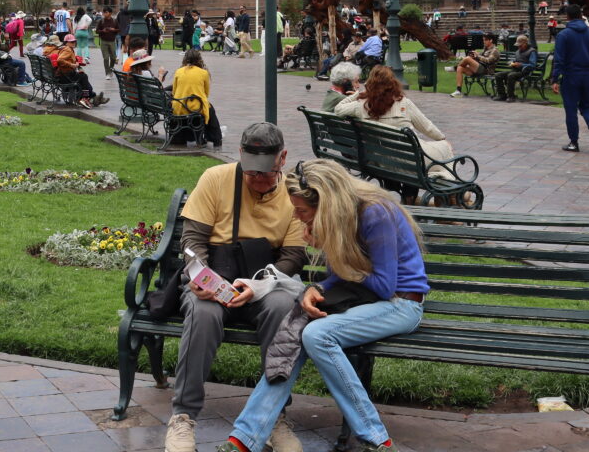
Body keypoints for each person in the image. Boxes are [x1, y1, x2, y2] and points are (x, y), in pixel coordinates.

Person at [214, 158, 426, 452]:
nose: (298, 217)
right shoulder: (341, 217)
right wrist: (317, 288)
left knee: (317, 334)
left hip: (401, 305)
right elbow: (343, 278)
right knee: (295, 329)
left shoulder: (375, 213)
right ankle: (243, 438)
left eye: (302, 211)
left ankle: (378, 439)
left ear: (326, 204)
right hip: (366, 302)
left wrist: (330, 245)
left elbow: (383, 286)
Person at [164, 123, 307, 452]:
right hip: (215, 275)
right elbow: (193, 240)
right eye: (251, 172)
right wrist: (201, 278)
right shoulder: (215, 178)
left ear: (283, 158)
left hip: (267, 279)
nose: (257, 180)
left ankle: (273, 416)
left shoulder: (293, 191)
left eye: (266, 173)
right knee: (203, 313)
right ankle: (183, 416)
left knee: (283, 309)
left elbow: (294, 255)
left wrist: (261, 285)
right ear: (240, 154)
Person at [334, 66, 458, 194]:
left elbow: (338, 109)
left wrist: (357, 94)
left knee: (414, 153)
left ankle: (423, 190)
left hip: (381, 162)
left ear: (369, 84)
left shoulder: (361, 106)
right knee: (445, 148)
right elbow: (427, 127)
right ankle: (447, 188)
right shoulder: (404, 103)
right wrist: (442, 139)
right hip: (411, 161)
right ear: (393, 83)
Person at [550, 3, 589, 153]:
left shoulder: (564, 35)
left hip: (571, 75)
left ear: (567, 17)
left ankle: (574, 141)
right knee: (586, 106)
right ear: (580, 15)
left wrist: (555, 78)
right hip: (587, 75)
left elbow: (559, 59)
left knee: (571, 109)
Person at [168, 48, 223, 147]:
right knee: (210, 109)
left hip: (179, 107)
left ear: (185, 59)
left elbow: (174, 91)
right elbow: (206, 94)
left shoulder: (178, 71)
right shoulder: (204, 73)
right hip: (196, 107)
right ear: (199, 59)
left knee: (208, 108)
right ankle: (216, 138)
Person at [54, 34, 103, 107]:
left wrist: (75, 62)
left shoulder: (66, 48)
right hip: (66, 76)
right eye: (71, 42)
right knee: (84, 77)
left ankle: (92, 97)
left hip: (63, 75)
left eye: (74, 41)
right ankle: (87, 97)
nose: (74, 43)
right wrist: (72, 65)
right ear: (66, 42)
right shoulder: (67, 49)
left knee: (83, 78)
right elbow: (60, 60)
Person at [449, 32, 499, 97]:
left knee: (467, 59)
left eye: (485, 40)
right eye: (483, 40)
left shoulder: (495, 50)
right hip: (478, 68)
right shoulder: (485, 49)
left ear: (491, 40)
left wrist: (478, 56)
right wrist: (474, 56)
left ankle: (454, 68)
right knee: (460, 68)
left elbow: (488, 61)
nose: (484, 42)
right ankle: (458, 91)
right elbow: (479, 58)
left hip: (486, 70)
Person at [491, 34, 537, 101]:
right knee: (498, 75)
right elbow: (515, 60)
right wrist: (511, 62)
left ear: (525, 44)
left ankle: (511, 96)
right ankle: (502, 95)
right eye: (518, 46)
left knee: (511, 75)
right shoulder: (517, 51)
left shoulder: (532, 51)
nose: (519, 47)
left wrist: (521, 65)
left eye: (520, 45)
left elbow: (532, 65)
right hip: (515, 70)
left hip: (524, 72)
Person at [96, 8, 120, 76]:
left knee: (113, 58)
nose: (104, 14)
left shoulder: (114, 21)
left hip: (112, 41)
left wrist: (113, 30)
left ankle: (111, 69)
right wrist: (103, 31)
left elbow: (119, 29)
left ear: (110, 13)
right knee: (106, 58)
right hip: (104, 41)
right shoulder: (101, 21)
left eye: (106, 12)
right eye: (104, 12)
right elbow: (97, 31)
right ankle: (107, 73)